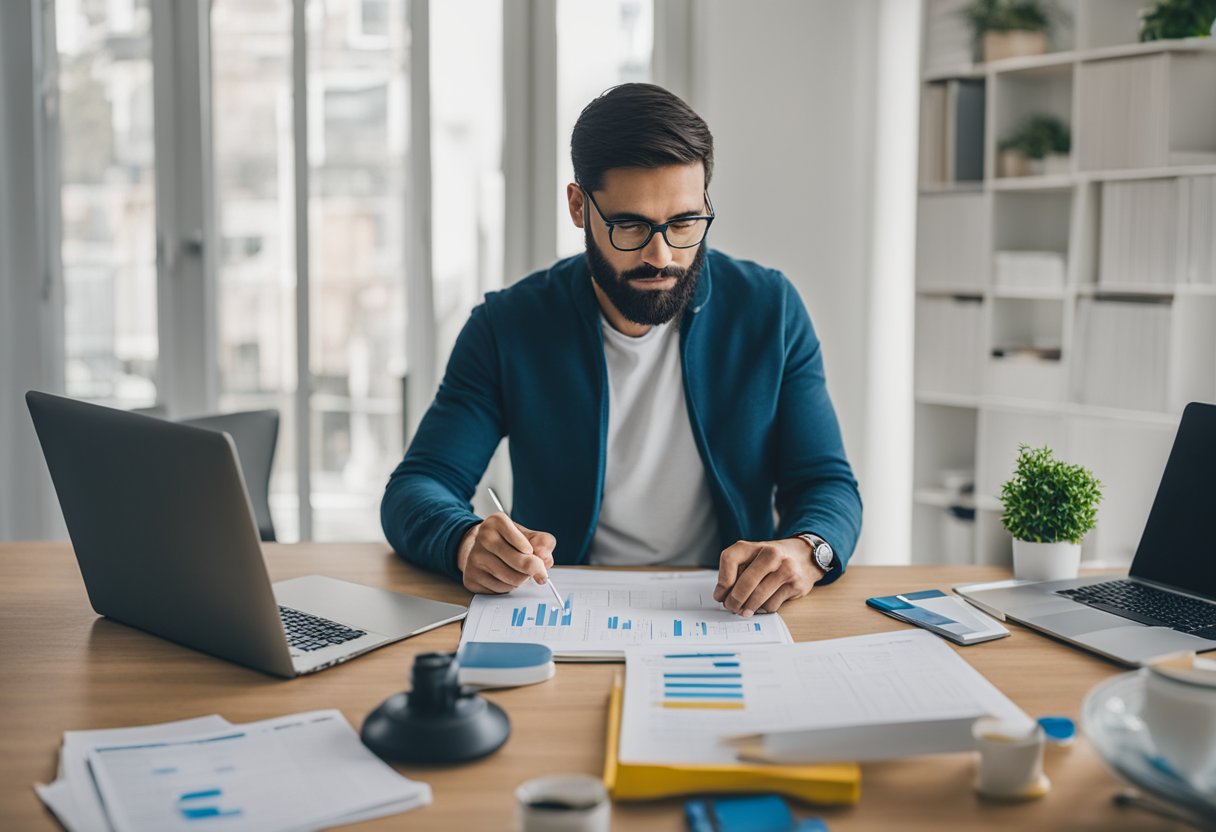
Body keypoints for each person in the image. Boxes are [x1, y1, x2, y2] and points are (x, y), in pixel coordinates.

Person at [382, 83, 861, 615]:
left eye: (684, 223)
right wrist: (465, 541)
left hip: (723, 611)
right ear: (579, 207)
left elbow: (825, 482)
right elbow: (419, 485)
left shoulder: (770, 310)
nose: (662, 256)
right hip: (560, 607)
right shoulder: (508, 325)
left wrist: (806, 550)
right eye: (630, 224)